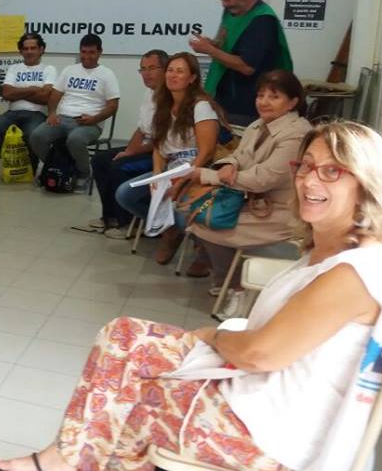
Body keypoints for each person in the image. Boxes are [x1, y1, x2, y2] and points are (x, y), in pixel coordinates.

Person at [0, 119, 382, 471]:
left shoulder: (354, 273)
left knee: (126, 401)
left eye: (332, 171)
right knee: (123, 350)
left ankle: (75, 467)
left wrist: (216, 336)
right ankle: (75, 466)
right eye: (306, 167)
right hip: (266, 405)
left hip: (274, 437)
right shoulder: (341, 253)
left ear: (367, 183)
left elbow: (260, 354)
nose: (310, 181)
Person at [189, 71, 312, 318]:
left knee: (207, 226)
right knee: (192, 212)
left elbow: (263, 178)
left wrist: (208, 175)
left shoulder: (297, 133)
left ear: (292, 102)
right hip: (253, 200)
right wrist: (228, 164)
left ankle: (236, 287)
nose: (264, 102)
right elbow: (239, 155)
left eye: (274, 97)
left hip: (282, 212)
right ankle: (226, 279)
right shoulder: (258, 125)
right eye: (260, 95)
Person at [114, 52, 223, 263]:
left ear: (192, 78)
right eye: (170, 70)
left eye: (180, 71)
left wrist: (182, 181)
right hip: (171, 168)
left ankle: (202, 245)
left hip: (196, 170)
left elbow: (207, 152)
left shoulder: (201, 106)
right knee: (125, 194)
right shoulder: (162, 105)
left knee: (181, 208)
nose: (173, 75)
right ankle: (170, 228)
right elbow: (158, 147)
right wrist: (157, 175)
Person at [190, 0, 293, 126]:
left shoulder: (263, 21)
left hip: (247, 106)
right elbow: (227, 44)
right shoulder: (232, 11)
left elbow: (247, 66)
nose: (224, 4)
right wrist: (212, 44)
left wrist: (209, 50)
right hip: (223, 99)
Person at [87, 49, 167, 237]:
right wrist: (130, 150)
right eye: (143, 69)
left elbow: (161, 139)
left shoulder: (170, 97)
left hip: (161, 152)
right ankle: (110, 216)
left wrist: (132, 153)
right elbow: (141, 129)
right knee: (100, 160)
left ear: (165, 69)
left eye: (152, 68)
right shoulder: (149, 93)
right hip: (146, 146)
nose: (146, 74)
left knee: (119, 166)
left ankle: (127, 222)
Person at [30, 33, 120, 181]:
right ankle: (56, 167)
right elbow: (54, 96)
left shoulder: (107, 74)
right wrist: (52, 113)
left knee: (75, 140)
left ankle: (84, 174)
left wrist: (94, 119)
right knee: (37, 136)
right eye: (83, 52)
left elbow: (113, 106)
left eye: (91, 52)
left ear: (100, 52)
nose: (87, 56)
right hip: (62, 119)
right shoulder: (69, 70)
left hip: (90, 124)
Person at [0, 31, 57, 164]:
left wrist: (17, 94)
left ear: (41, 49)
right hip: (12, 113)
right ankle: (11, 161)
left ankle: (31, 167)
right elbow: (6, 93)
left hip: (37, 114)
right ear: (21, 51)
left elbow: (45, 97)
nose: (29, 52)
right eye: (25, 49)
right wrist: (33, 89)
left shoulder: (49, 69)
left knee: (30, 134)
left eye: (33, 48)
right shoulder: (14, 68)